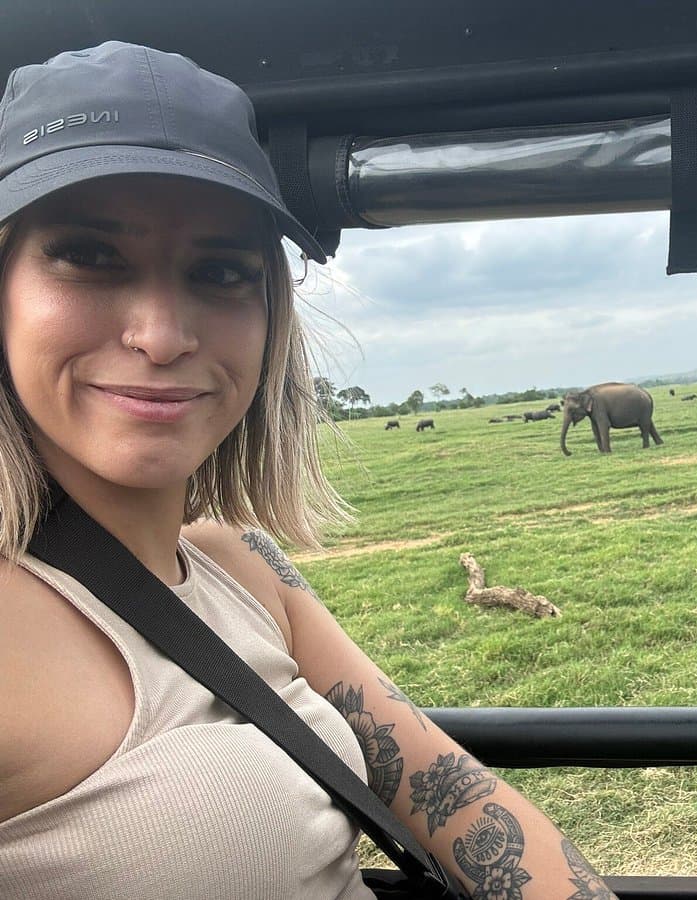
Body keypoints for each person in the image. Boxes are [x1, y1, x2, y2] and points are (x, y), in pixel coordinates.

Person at [0, 42, 616, 900]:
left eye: (221, 272)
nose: (163, 335)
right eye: (89, 256)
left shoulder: (241, 564)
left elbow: (459, 797)